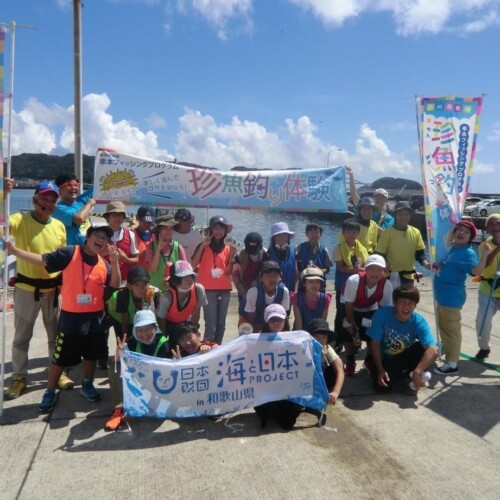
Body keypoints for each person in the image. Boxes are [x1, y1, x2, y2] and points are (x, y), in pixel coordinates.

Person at [5, 225, 121, 412]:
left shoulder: (104, 264)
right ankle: (50, 390)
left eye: (105, 238)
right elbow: (43, 260)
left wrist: (115, 263)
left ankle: (87, 384)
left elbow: (115, 285)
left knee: (91, 355)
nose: (101, 240)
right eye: (97, 235)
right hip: (71, 316)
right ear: (88, 236)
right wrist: (14, 250)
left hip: (95, 317)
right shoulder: (70, 252)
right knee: (60, 358)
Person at [3, 181, 72, 401]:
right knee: (22, 337)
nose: (48, 203)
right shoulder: (19, 219)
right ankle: (19, 377)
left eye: (52, 200)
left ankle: (56, 373)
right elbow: (2, 224)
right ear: (34, 200)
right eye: (43, 199)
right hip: (26, 289)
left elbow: (62, 260)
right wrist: (4, 193)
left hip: (52, 291)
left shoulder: (59, 226)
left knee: (55, 336)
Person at [433, 220, 491, 375]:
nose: (461, 233)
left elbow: (476, 271)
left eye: (466, 232)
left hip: (451, 298)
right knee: (444, 326)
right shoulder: (454, 248)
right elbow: (450, 265)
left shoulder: (467, 252)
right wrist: (439, 265)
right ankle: (447, 347)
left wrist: (485, 255)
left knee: (452, 330)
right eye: (460, 229)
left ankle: (452, 364)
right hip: (443, 296)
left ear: (470, 238)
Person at [105, 310, 170, 431]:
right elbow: (115, 362)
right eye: (140, 329)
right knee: (115, 367)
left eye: (147, 328)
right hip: (139, 383)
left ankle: (143, 406)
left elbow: (167, 373)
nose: (144, 333)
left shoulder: (163, 344)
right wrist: (120, 352)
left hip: (156, 387)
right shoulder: (133, 341)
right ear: (135, 330)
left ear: (154, 328)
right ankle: (119, 409)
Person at [367, 286, 438, 394]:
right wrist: (380, 369)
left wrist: (417, 372)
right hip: (384, 359)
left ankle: (413, 376)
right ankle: (372, 366)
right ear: (394, 303)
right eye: (402, 302)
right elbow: (375, 343)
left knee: (425, 350)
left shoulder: (419, 321)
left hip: (403, 356)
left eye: (411, 303)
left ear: (415, 305)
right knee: (382, 388)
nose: (406, 306)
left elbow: (433, 350)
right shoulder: (381, 315)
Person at [339, 254, 393, 376]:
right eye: (371, 269)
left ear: (384, 271)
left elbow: (385, 309)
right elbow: (349, 304)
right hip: (350, 306)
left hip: (371, 307)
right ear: (365, 269)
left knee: (372, 335)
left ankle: (368, 360)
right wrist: (352, 323)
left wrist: (381, 326)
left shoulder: (387, 285)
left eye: (379, 270)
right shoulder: (354, 280)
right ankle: (350, 361)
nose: (375, 273)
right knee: (349, 335)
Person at [192, 215, 237, 344]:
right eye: (215, 228)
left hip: (225, 289)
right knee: (210, 321)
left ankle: (218, 346)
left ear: (225, 231)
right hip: (207, 289)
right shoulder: (203, 244)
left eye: (221, 228)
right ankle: (207, 345)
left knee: (221, 323)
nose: (218, 231)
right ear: (211, 230)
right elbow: (193, 264)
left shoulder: (229, 248)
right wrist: (203, 245)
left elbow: (228, 272)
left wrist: (233, 255)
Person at [375, 201, 430, 288]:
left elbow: (419, 253)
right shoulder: (387, 233)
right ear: (395, 215)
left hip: (408, 275)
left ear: (410, 215)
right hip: (390, 275)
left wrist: (425, 262)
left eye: (406, 214)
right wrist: (384, 263)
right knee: (390, 300)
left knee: (406, 300)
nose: (403, 217)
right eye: (400, 214)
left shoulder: (416, 232)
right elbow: (379, 253)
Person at [156, 260, 207, 349]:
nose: (189, 279)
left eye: (190, 275)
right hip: (168, 325)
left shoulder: (199, 290)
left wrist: (193, 333)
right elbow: (161, 320)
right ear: (175, 281)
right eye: (183, 276)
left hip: (185, 324)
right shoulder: (167, 297)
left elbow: (196, 314)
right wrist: (163, 340)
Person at [332, 218, 369, 336]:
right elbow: (341, 268)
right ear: (343, 233)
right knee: (341, 312)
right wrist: (358, 270)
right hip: (342, 285)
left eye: (354, 232)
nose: (351, 235)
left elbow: (366, 265)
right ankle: (338, 337)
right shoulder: (338, 248)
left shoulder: (362, 249)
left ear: (358, 234)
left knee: (354, 312)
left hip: (358, 285)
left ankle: (354, 336)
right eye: (348, 232)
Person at [106, 265, 160, 342]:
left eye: (144, 284)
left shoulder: (153, 293)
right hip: (118, 317)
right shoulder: (123, 296)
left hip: (135, 316)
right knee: (124, 340)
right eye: (136, 285)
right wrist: (126, 339)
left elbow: (156, 316)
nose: (141, 289)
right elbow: (125, 320)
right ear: (129, 286)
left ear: (149, 283)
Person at [474, 214, 500, 361]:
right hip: (487, 289)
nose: (495, 226)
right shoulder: (485, 245)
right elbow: (486, 264)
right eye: (491, 224)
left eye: (498, 223)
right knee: (482, 323)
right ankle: (484, 347)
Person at [243, 260, 291, 333]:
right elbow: (250, 320)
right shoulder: (253, 293)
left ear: (280, 277)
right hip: (257, 328)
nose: (272, 278)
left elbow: (284, 318)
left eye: (275, 275)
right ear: (261, 278)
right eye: (268, 275)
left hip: (275, 327)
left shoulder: (284, 292)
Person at [306, 318, 345, 405]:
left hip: (321, 380)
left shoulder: (326, 347)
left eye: (324, 337)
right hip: (305, 382)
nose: (320, 340)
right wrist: (318, 358)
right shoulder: (302, 348)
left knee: (333, 370)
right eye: (317, 337)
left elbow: (340, 370)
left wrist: (335, 392)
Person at [232, 232, 269, 321]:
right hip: (244, 290)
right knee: (244, 318)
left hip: (262, 292)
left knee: (261, 319)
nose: (252, 253)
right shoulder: (240, 255)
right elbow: (234, 274)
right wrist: (242, 291)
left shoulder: (267, 255)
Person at [346, 166, 394, 234]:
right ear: (374, 198)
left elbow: (385, 234)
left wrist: (367, 222)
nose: (379, 199)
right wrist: (351, 175)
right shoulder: (364, 208)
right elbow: (353, 194)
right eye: (377, 196)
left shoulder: (389, 219)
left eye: (382, 197)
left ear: (386, 200)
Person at [53, 173, 96, 245]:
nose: (73, 188)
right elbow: (79, 219)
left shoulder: (81, 202)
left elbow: (98, 187)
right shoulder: (57, 209)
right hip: (70, 253)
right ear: (59, 189)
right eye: (69, 185)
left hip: (87, 252)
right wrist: (89, 204)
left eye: (76, 185)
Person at [147, 214, 187, 291]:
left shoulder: (178, 247)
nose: (168, 231)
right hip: (154, 291)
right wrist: (158, 250)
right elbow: (153, 269)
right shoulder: (151, 246)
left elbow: (184, 271)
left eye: (171, 228)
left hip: (173, 290)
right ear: (159, 230)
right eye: (165, 228)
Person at [103, 201, 139, 281]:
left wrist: (125, 259)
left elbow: (136, 260)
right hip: (103, 279)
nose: (118, 218)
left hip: (124, 281)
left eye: (121, 215)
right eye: (115, 215)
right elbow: (92, 256)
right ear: (108, 217)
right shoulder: (100, 234)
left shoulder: (130, 234)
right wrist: (103, 253)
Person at [295, 224, 332, 289]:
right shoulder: (300, 248)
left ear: (320, 234)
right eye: (311, 232)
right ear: (306, 234)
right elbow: (295, 266)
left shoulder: (324, 250)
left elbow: (328, 269)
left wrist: (319, 270)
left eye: (317, 232)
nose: (314, 235)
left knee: (319, 298)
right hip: (304, 284)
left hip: (319, 284)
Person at [268, 222, 298, 292]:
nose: (282, 238)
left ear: (288, 237)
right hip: (272, 292)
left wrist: (295, 292)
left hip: (290, 291)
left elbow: (296, 275)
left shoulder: (294, 253)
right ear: (274, 238)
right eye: (278, 235)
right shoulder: (268, 254)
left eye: (284, 235)